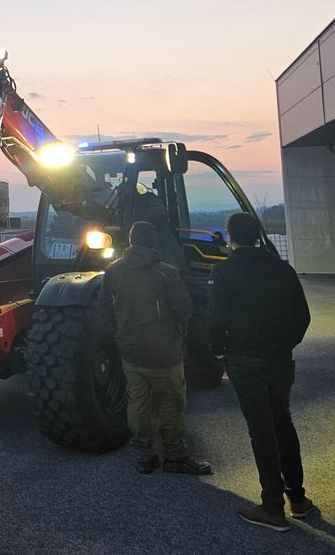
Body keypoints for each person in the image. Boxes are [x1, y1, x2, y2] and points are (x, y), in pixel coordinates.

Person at [210, 212, 313, 532]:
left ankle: (272, 507)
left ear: (230, 238)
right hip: (280, 358)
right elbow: (303, 317)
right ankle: (298, 498)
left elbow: (216, 320)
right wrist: (284, 344)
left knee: (261, 430)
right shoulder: (282, 269)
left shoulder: (223, 271)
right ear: (257, 235)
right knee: (283, 420)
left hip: (243, 359)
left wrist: (220, 351)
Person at [100, 220, 211, 475]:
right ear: (153, 241)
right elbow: (185, 309)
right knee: (171, 403)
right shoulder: (167, 272)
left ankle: (144, 456)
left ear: (129, 240)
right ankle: (175, 456)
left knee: (137, 403)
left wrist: (118, 334)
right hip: (165, 352)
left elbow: (104, 308)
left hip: (130, 351)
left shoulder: (113, 271)